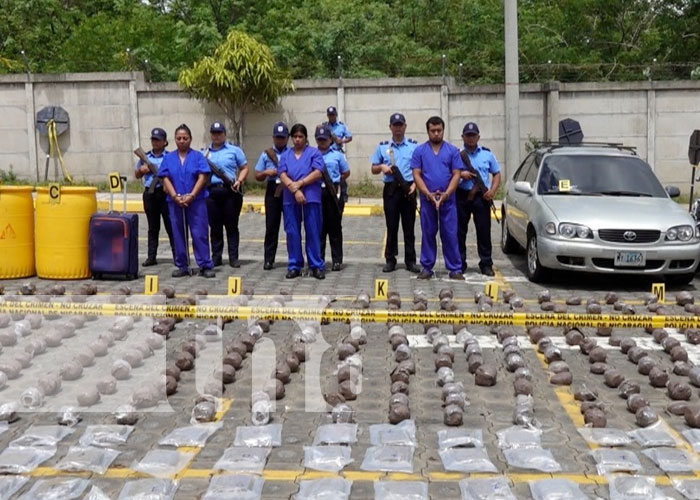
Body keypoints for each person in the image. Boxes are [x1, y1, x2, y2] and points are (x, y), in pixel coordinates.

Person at [158, 124, 215, 278]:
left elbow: (202, 177)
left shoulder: (197, 157)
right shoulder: (168, 158)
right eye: (179, 138)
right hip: (175, 201)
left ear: (190, 139)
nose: (182, 141)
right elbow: (165, 178)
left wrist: (192, 195)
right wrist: (175, 196)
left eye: (185, 138)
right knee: (178, 233)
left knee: (200, 233)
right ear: (174, 140)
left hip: (196, 201)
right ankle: (182, 265)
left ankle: (205, 265)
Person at [411, 116, 464, 280]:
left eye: (439, 130)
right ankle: (427, 267)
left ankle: (455, 268)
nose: (436, 134)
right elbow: (416, 174)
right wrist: (427, 193)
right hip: (428, 200)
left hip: (448, 201)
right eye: (432, 131)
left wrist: (446, 194)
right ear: (427, 131)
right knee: (428, 232)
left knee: (450, 233)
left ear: (443, 130)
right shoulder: (419, 151)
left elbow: (457, 174)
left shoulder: (452, 151)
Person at [371, 113, 420, 273]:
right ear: (390, 127)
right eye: (395, 125)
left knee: (409, 227)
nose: (398, 129)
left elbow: (420, 168)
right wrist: (382, 168)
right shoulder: (383, 147)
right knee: (391, 226)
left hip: (408, 188)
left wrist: (415, 186)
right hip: (391, 190)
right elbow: (373, 168)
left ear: (405, 126)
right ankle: (390, 259)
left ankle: (410, 260)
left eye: (400, 125)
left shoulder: (414, 146)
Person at [278, 124, 325, 280]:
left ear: (306, 138)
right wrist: (295, 189)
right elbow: (282, 174)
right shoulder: (285, 154)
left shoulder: (314, 153)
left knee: (313, 230)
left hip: (311, 196)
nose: (297, 140)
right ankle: (294, 264)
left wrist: (301, 183)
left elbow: (318, 172)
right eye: (295, 137)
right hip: (290, 198)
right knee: (292, 232)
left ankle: (316, 265)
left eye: (301, 137)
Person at [457, 122, 501, 277]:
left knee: (483, 232)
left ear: (478, 137)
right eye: (468, 135)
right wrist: (462, 175)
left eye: (473, 135)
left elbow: (496, 174)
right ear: (462, 137)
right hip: (462, 196)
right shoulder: (457, 155)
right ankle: (459, 263)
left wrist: (493, 191)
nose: (470, 138)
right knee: (459, 231)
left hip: (482, 198)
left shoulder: (487, 154)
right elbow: (451, 174)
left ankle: (486, 263)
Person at [204, 121, 248, 268]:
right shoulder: (204, 153)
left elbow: (244, 168)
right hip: (211, 192)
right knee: (215, 227)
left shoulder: (234, 150)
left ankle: (233, 258)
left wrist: (240, 181)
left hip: (230, 191)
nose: (216, 136)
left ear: (224, 134)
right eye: (214, 133)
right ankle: (216, 257)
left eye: (219, 133)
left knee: (231, 226)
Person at [134, 127, 175, 267]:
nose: (155, 142)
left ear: (164, 142)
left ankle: (177, 256)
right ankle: (151, 257)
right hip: (150, 193)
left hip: (164, 193)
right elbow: (136, 174)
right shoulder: (145, 157)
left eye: (158, 140)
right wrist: (142, 170)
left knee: (170, 225)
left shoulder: (169, 157)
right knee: (153, 227)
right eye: (153, 139)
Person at [254, 122, 289, 270]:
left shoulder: (292, 153)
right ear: (273, 138)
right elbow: (257, 174)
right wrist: (266, 173)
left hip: (288, 189)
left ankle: (294, 259)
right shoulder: (266, 154)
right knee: (271, 227)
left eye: (283, 138)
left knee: (291, 227)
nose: (280, 140)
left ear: (287, 138)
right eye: (277, 137)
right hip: (273, 189)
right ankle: (269, 259)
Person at [315, 124, 350, 271]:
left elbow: (346, 172)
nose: (322, 142)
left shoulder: (337, 155)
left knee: (335, 228)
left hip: (333, 193)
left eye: (325, 139)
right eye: (320, 139)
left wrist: (335, 183)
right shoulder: (311, 154)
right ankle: (319, 259)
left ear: (331, 139)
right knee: (319, 229)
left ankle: (337, 260)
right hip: (316, 192)